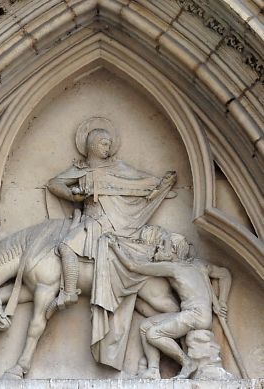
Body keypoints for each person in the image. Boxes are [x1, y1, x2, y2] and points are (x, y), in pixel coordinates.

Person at [46, 126, 177, 369]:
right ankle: (69, 290)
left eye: (109, 143)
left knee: (65, 244)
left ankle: (69, 292)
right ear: (92, 145)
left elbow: (142, 178)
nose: (107, 147)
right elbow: (55, 183)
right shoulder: (81, 169)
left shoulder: (119, 168)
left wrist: (160, 184)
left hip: (107, 225)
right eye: (103, 143)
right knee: (64, 245)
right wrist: (73, 196)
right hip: (89, 222)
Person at [108, 231, 232, 379]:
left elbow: (133, 266)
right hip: (195, 315)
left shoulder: (173, 268)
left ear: (173, 251)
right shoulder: (199, 265)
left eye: (162, 246)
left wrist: (115, 247)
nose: (158, 248)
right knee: (145, 326)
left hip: (194, 316)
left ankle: (187, 363)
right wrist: (222, 301)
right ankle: (153, 370)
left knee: (153, 334)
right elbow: (225, 274)